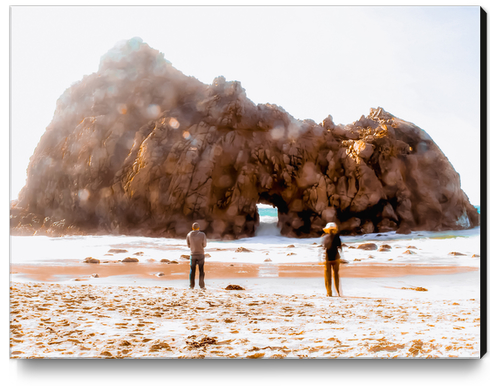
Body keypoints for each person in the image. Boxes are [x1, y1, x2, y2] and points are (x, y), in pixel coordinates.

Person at [321, 222, 342, 297]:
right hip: (335, 258)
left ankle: (329, 292)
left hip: (327, 258)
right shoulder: (337, 236)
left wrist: (321, 259)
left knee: (327, 276)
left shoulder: (324, 237)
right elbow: (339, 247)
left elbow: (323, 248)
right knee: (336, 275)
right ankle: (338, 292)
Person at [186, 222, 207, 290]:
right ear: (199, 228)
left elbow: (188, 245)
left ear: (192, 228)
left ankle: (191, 286)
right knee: (201, 270)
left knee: (192, 270)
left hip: (193, 254)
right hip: (200, 254)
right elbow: (204, 245)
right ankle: (202, 286)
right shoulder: (202, 234)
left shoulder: (189, 234)